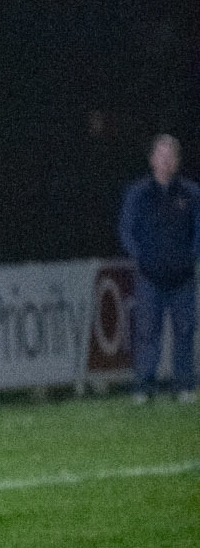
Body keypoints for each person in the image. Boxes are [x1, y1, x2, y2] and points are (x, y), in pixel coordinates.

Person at [118, 133, 199, 401]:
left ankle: (184, 385)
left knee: (185, 332)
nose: (166, 161)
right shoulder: (138, 194)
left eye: (171, 156)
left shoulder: (191, 193)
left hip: (183, 277)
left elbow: (198, 230)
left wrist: (191, 257)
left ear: (177, 161)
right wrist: (141, 259)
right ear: (152, 159)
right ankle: (144, 388)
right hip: (149, 278)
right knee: (147, 334)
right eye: (161, 156)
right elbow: (126, 231)